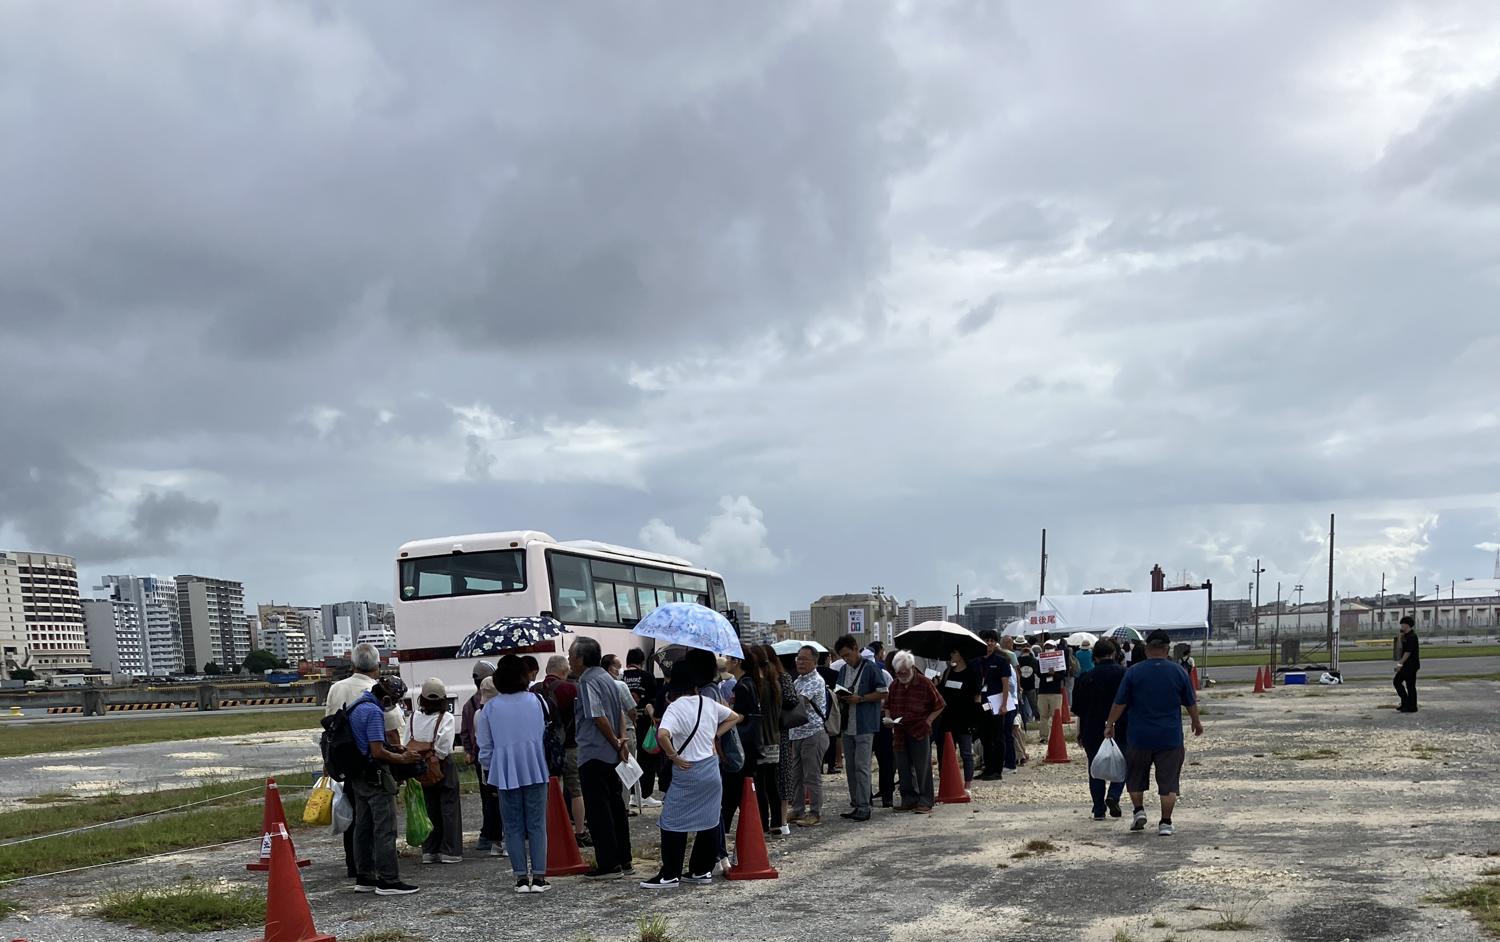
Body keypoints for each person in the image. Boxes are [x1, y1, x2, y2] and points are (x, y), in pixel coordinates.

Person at [641, 662, 744, 889]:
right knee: (709, 820)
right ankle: (701, 870)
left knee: (672, 821)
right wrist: (715, 735)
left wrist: (673, 755)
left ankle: (670, 873)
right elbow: (735, 716)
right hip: (711, 769)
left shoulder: (675, 708)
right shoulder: (708, 702)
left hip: (688, 769)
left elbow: (662, 734)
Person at [1104, 629, 1203, 837]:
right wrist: (1196, 721)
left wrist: (1110, 723)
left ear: (1147, 649)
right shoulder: (1178, 672)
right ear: (1167, 650)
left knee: (1135, 776)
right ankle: (1165, 823)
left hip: (1139, 736)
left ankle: (1139, 811)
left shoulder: (1133, 672)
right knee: (1169, 782)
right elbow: (1190, 701)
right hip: (1170, 736)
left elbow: (1120, 702)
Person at [324, 643, 405, 879]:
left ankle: (358, 868)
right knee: (381, 822)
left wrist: (328, 763)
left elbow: (329, 728)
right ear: (377, 666)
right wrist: (400, 761)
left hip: (344, 763)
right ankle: (385, 872)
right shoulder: (378, 691)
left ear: (353, 664)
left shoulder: (336, 688)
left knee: (356, 819)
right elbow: (391, 731)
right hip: (372, 764)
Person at [476, 654, 551, 893]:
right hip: (535, 765)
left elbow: (485, 746)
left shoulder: (490, 708)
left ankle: (520, 878)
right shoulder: (537, 700)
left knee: (512, 826)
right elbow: (544, 733)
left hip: (505, 769)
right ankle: (539, 878)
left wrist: (490, 770)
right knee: (537, 824)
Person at [346, 675, 423, 895]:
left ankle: (365, 876)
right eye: (396, 701)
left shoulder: (356, 706)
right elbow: (377, 751)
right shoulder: (373, 711)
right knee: (385, 829)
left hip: (358, 775)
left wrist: (393, 748)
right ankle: (388, 880)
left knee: (363, 827)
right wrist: (403, 758)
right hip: (375, 777)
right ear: (388, 698)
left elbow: (369, 742)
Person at [570, 636, 634, 879]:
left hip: (593, 752)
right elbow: (619, 712)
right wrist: (621, 740)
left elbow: (597, 716)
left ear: (580, 658)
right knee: (616, 806)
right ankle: (625, 859)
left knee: (599, 810)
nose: (569, 660)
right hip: (612, 753)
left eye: (571, 656)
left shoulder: (587, 681)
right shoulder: (608, 678)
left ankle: (609, 864)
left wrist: (615, 740)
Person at [834, 633, 888, 822]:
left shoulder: (871, 668)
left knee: (862, 766)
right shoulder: (843, 670)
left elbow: (883, 692)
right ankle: (856, 802)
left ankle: (864, 805)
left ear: (856, 649)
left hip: (864, 724)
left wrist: (861, 699)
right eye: (842, 656)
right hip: (847, 724)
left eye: (848, 655)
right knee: (850, 767)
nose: (846, 659)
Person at [1072, 638, 1128, 821]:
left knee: (1095, 768)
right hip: (1120, 725)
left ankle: (1098, 809)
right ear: (1114, 654)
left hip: (1091, 727)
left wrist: (1080, 731)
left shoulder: (1085, 678)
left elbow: (1079, 709)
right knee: (1122, 763)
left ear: (1094, 657)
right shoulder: (1124, 674)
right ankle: (1114, 794)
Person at [409, 678, 462, 864]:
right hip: (441, 765)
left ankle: (429, 850)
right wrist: (435, 757)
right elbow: (444, 746)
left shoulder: (413, 717)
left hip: (419, 766)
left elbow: (407, 741)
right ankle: (450, 851)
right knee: (449, 808)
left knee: (428, 807)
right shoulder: (446, 718)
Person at [884, 650, 944, 813]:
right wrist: (888, 718)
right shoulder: (894, 684)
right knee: (903, 767)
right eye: (898, 673)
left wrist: (928, 720)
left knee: (922, 767)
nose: (902, 675)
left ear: (912, 667)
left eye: (904, 672)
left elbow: (940, 704)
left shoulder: (925, 683)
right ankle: (908, 798)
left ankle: (926, 800)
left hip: (919, 730)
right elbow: (887, 705)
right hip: (899, 731)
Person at [540, 655, 588, 848]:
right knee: (575, 789)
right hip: (569, 745)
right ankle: (579, 832)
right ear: (564, 670)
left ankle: (552, 830)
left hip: (544, 748)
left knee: (550, 788)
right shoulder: (570, 689)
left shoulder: (535, 691)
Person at [459, 660, 504, 858]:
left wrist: (469, 751)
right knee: (501, 798)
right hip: (495, 759)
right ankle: (499, 836)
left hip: (480, 760)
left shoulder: (469, 705)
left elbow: (464, 732)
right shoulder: (498, 705)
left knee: (487, 798)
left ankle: (487, 835)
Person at [751, 644, 796, 835]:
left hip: (766, 738)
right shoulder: (774, 682)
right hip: (774, 737)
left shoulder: (761, 684)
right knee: (771, 783)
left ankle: (767, 824)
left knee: (764, 784)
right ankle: (777, 822)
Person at [720, 652, 763, 840]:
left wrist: (719, 728)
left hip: (741, 744)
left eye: (729, 659)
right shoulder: (750, 683)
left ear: (737, 661)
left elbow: (740, 716)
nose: (726, 662)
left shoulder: (742, 686)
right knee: (747, 788)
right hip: (751, 743)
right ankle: (756, 826)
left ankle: (724, 830)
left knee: (732, 790)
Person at [788, 645, 832, 827]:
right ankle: (797, 809)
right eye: (798, 658)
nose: (800, 662)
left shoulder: (816, 680)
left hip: (813, 733)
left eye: (804, 659)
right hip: (796, 733)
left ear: (815, 662)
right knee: (796, 775)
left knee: (811, 776)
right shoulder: (798, 680)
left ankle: (815, 813)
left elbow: (799, 702)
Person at [935, 648, 982, 790]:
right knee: (946, 751)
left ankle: (967, 784)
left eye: (954, 653)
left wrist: (976, 718)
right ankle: (947, 781)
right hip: (948, 718)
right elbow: (941, 692)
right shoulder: (948, 672)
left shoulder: (971, 673)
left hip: (965, 718)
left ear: (961, 655)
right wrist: (936, 684)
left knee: (966, 752)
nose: (951, 655)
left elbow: (977, 696)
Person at [623, 648, 663, 807]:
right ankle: (644, 794)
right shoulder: (647, 677)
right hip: (645, 724)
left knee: (627, 759)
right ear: (642, 661)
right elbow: (654, 700)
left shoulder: (621, 677)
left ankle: (629, 794)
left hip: (624, 724)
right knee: (647, 758)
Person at [603, 654, 641, 814]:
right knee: (626, 770)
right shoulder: (620, 685)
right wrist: (635, 722)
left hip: (605, 735)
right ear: (611, 668)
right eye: (618, 667)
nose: (621, 671)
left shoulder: (597, 685)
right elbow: (631, 709)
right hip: (626, 733)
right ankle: (624, 806)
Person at [864, 641, 897, 809]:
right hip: (870, 720)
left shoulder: (883, 674)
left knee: (883, 761)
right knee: (870, 762)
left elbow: (891, 697)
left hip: (880, 719)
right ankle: (869, 796)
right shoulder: (883, 673)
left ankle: (885, 795)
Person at [1036, 641, 1066, 744]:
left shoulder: (1060, 660)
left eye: (1050, 646)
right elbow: (1038, 673)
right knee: (1043, 715)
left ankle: (1056, 736)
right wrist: (1046, 672)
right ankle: (1044, 737)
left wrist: (1054, 674)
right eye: (1047, 647)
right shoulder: (1040, 660)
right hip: (1043, 691)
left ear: (1055, 647)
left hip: (1055, 692)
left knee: (1056, 716)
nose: (1048, 648)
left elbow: (1062, 676)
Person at [1395, 615, 1421, 712]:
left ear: (1407, 625)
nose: (1401, 626)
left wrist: (1400, 664)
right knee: (1397, 682)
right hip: (1405, 665)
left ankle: (1412, 706)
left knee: (1409, 685)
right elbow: (1400, 649)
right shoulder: (1405, 636)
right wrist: (1400, 638)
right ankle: (1406, 703)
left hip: (1411, 665)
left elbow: (1408, 652)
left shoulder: (1412, 636)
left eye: (1402, 624)